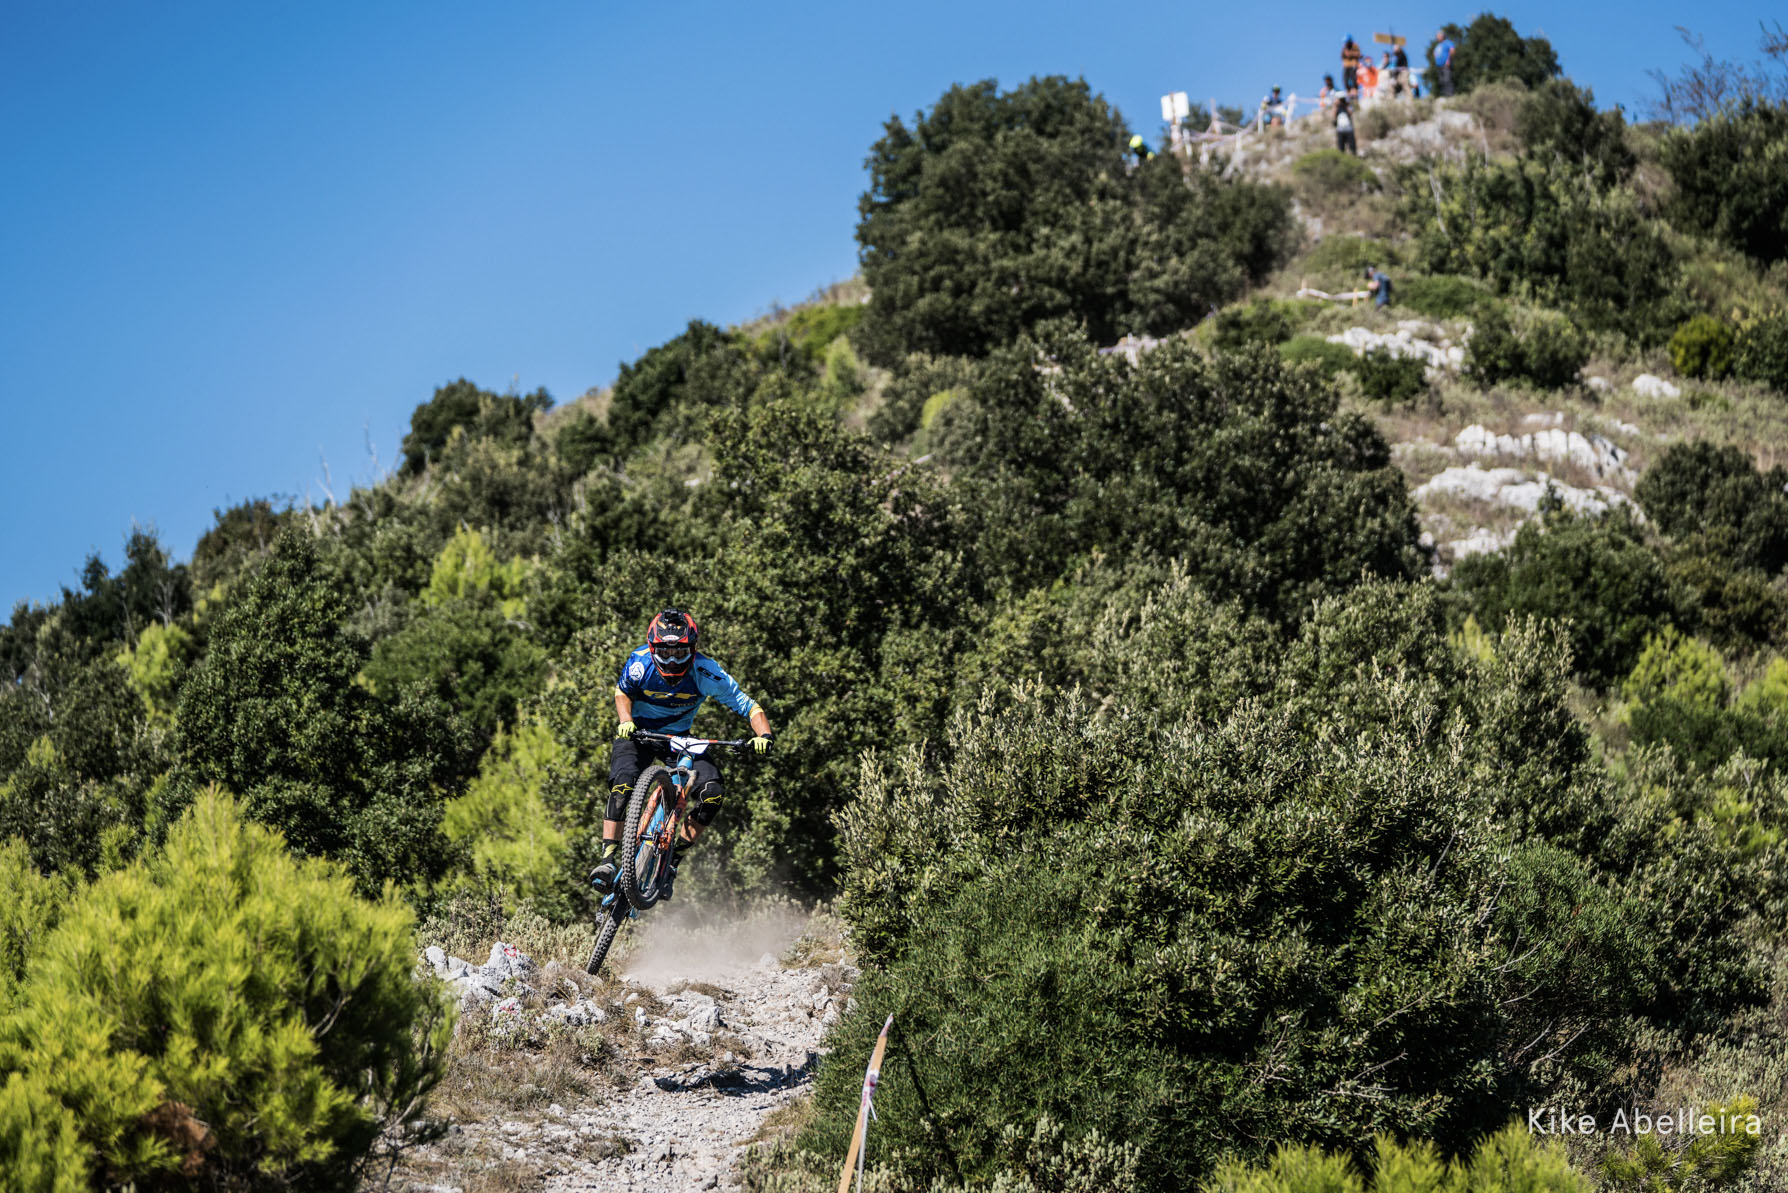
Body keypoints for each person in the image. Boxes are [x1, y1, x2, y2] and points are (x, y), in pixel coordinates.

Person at [588, 608, 773, 901]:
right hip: (639, 734)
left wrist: (764, 735)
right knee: (623, 783)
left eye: (680, 650)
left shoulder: (705, 671)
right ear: (653, 646)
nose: (672, 658)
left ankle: (671, 863)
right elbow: (622, 693)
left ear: (693, 647)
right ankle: (609, 858)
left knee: (712, 794)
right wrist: (626, 721)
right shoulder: (639, 663)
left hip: (679, 739)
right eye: (665, 650)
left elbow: (747, 705)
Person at [1434, 30, 1456, 97]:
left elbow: (1452, 50)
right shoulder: (1438, 45)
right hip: (1439, 66)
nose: (1437, 37)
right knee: (1441, 81)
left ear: (1442, 36)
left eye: (1438, 36)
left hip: (1445, 65)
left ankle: (1450, 95)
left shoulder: (1447, 43)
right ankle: (1444, 95)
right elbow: (1435, 53)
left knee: (1447, 80)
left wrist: (1449, 60)